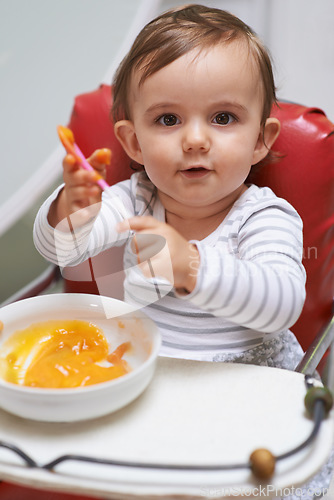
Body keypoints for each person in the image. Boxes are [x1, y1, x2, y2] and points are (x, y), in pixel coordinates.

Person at [33, 5, 333, 498]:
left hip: (244, 394)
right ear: (133, 141)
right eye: (168, 119)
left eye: (223, 118)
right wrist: (72, 210)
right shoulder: (132, 199)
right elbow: (64, 252)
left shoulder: (264, 216)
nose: (195, 140)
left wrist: (191, 265)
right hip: (145, 390)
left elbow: (282, 305)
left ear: (261, 139)